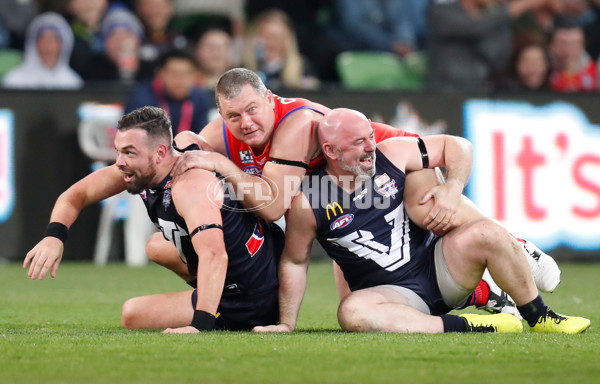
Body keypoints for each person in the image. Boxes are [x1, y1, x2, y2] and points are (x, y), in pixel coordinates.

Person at [159, 68, 561, 315]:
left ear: (270, 99)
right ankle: (481, 295)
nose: (244, 122)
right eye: (233, 115)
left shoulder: (294, 125)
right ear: (221, 114)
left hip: (382, 157)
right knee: (351, 258)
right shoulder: (220, 133)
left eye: (252, 109)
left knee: (425, 211)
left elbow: (275, 203)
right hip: (338, 184)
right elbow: (173, 158)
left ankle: (513, 243)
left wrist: (453, 186)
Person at [253, 108, 591, 334]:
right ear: (330, 150)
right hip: (395, 295)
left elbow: (458, 145)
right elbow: (295, 262)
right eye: (358, 143)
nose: (370, 147)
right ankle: (473, 325)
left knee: (485, 229)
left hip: (442, 267)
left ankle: (539, 315)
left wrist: (453, 188)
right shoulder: (307, 201)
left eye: (370, 136)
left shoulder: (393, 152)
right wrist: (286, 323)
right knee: (351, 312)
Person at [23, 106, 283, 333]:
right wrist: (54, 237)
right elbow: (75, 195)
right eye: (118, 151)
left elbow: (215, 256)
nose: (120, 162)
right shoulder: (143, 169)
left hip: (249, 296)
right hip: (257, 263)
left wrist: (199, 324)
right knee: (156, 246)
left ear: (160, 153)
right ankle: (212, 293)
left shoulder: (189, 185)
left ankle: (219, 309)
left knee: (131, 313)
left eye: (129, 152)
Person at [427, 0, 549, 92]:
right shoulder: (441, 12)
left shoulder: (495, 19)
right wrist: (509, 10)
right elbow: (472, 28)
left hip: (481, 91)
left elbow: (500, 57)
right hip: (446, 91)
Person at [124, 48, 212, 135]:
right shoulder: (141, 99)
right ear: (160, 73)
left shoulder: (200, 97)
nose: (180, 80)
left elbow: (203, 136)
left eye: (186, 74)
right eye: (174, 73)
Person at [242, 9, 320, 90]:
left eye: (277, 37)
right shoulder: (243, 69)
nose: (271, 42)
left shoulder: (303, 67)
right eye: (267, 37)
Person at [3, 12, 83, 89]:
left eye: (53, 41)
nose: (48, 47)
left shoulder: (72, 82)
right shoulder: (14, 80)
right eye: (43, 41)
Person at [87, 7, 154, 82]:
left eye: (125, 35)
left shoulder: (151, 69)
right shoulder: (93, 68)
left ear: (137, 41)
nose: (119, 42)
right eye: (113, 36)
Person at [134, 0, 187, 70]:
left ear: (170, 9)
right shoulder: (133, 40)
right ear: (140, 10)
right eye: (151, 7)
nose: (156, 11)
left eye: (160, 6)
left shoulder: (182, 39)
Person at [549, 18, 598, 92]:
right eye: (562, 43)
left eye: (573, 44)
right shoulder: (543, 69)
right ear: (552, 45)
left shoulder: (595, 73)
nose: (567, 49)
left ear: (582, 46)